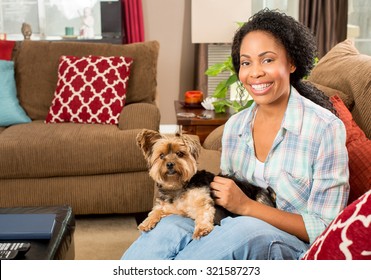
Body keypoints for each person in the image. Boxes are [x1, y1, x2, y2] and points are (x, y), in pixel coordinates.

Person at [122, 9, 349, 260]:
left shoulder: (325, 129)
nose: (255, 72)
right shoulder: (235, 128)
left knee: (246, 228)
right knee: (169, 227)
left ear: (292, 62)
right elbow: (223, 204)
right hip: (232, 226)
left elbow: (326, 227)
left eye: (268, 60)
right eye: (246, 62)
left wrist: (247, 206)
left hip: (290, 244)